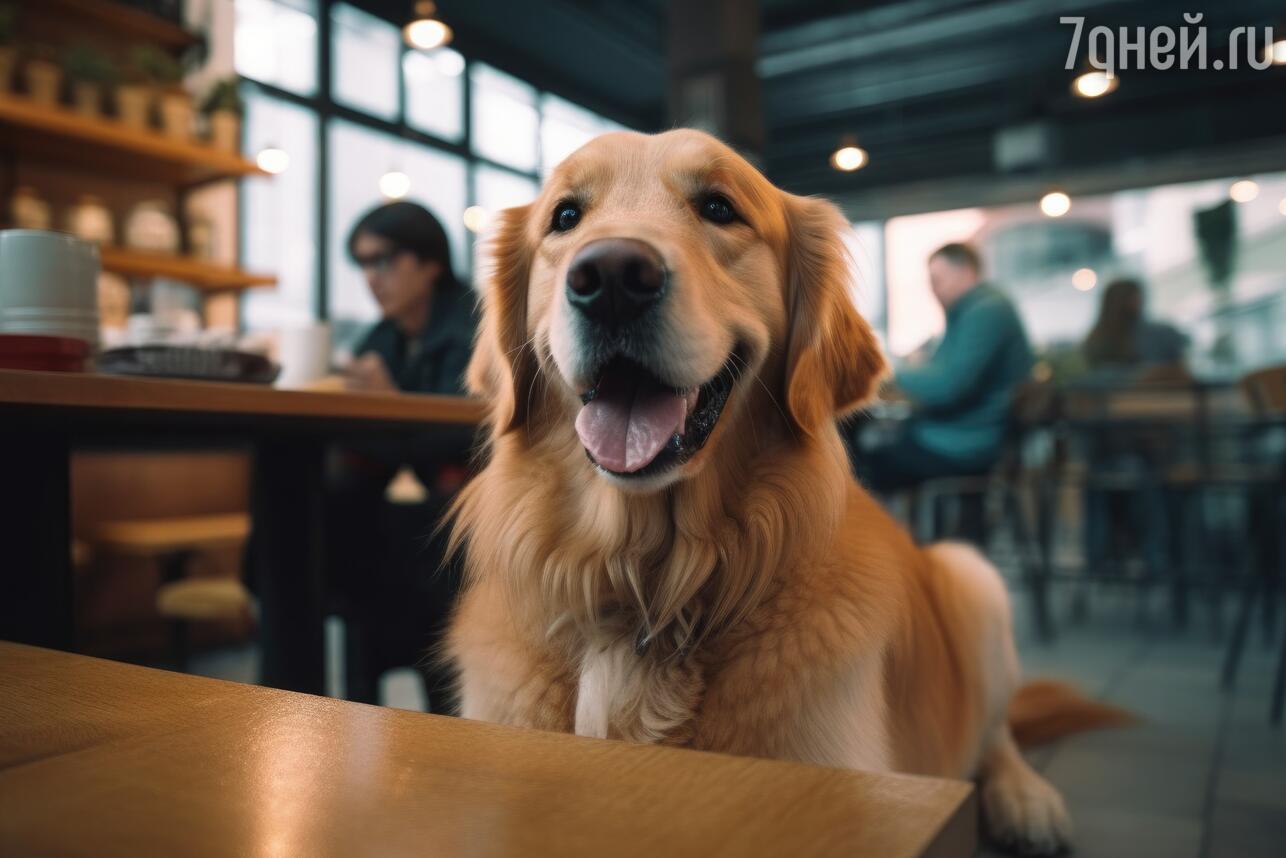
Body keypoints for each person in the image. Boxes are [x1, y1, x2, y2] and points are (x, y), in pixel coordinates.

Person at [329, 201, 478, 712]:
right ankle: (304, 623)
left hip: (469, 506)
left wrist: (388, 405)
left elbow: (474, 434)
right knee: (322, 501)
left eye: (384, 260)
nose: (371, 278)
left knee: (367, 526)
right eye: (363, 264)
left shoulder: (475, 324)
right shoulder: (386, 334)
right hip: (403, 510)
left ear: (430, 262)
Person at [858, 242, 1034, 494]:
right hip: (963, 435)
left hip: (965, 444)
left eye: (937, 280)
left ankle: (884, 531)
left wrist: (886, 370)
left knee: (870, 457)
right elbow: (941, 374)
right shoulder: (974, 311)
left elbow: (947, 386)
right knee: (878, 447)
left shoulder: (986, 312)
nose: (933, 290)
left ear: (965, 272)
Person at [1082, 277, 1188, 380]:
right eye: (1136, 297)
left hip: (1137, 394)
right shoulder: (1160, 333)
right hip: (1155, 394)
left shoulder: (1095, 338)